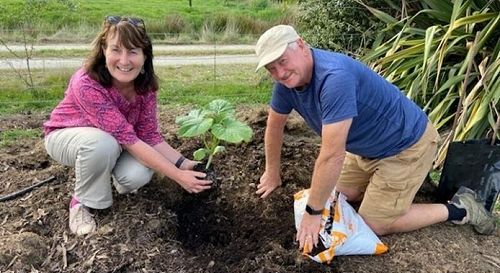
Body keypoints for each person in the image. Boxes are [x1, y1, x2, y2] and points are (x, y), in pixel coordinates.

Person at [254, 25, 496, 253]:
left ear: (301, 45)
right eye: (271, 69)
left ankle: (461, 208)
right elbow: (274, 126)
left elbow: (331, 155)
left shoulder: (334, 78)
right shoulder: (286, 84)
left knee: (374, 223)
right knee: (337, 194)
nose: (280, 73)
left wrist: (313, 213)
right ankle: (382, 187)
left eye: (283, 61)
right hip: (365, 150)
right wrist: (272, 171)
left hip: (405, 146)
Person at [43, 16, 212, 236]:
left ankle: (103, 176)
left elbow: (149, 135)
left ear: (144, 55)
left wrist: (183, 163)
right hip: (67, 137)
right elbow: (128, 139)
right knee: (102, 144)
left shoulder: (145, 88)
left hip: (116, 144)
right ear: (104, 50)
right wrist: (178, 177)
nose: (124, 60)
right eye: (116, 50)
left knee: (137, 175)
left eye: (133, 51)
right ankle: (81, 203)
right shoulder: (86, 83)